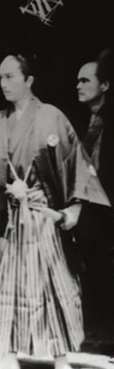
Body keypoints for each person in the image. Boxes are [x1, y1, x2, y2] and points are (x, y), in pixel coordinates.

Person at [0, 53, 109, 369]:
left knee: (51, 285)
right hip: (10, 220)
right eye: (1, 78)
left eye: (10, 77)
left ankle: (62, 361)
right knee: (7, 287)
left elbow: (76, 163)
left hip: (43, 218)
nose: (4, 84)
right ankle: (8, 357)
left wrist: (73, 208)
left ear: (29, 80)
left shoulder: (51, 117)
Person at [73, 50, 114, 344]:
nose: (78, 85)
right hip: (91, 211)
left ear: (105, 86)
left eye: (85, 80)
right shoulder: (80, 122)